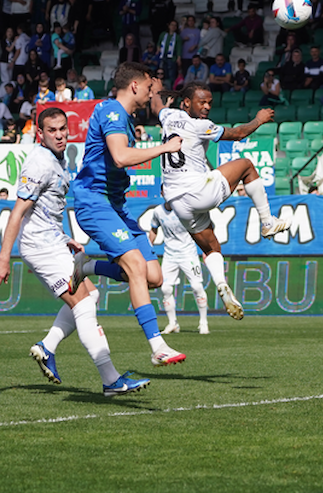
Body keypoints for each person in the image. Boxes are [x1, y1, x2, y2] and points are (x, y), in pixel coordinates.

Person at [0, 108, 148, 397]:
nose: (60, 135)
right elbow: (18, 213)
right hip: (40, 246)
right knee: (84, 305)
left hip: (52, 241)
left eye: (63, 129)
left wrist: (65, 238)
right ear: (41, 134)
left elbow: (45, 212)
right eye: (53, 130)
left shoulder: (57, 160)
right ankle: (110, 380)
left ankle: (47, 347)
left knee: (92, 295)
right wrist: (3, 258)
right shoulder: (39, 163)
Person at [67, 63, 187, 367]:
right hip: (94, 203)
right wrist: (164, 148)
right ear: (135, 85)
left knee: (153, 277)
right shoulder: (111, 112)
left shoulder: (125, 117)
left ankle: (88, 266)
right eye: (149, 88)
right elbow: (120, 157)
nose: (151, 94)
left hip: (116, 208)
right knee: (134, 265)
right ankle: (157, 346)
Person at [154, 83, 291, 320]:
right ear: (186, 102)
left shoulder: (168, 117)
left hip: (176, 202)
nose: (207, 107)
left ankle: (221, 285)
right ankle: (267, 221)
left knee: (211, 248)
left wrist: (156, 91)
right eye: (202, 102)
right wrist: (258, 119)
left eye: (209, 103)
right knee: (247, 165)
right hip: (197, 191)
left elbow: (157, 105)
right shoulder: (200, 125)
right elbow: (238, 134)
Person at [148, 198, 210, 335]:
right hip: (170, 255)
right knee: (165, 288)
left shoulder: (184, 209)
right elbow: (153, 229)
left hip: (189, 254)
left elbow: (202, 227)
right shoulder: (158, 211)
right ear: (162, 193)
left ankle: (203, 322)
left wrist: (207, 249)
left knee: (197, 286)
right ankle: (172, 323)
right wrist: (148, 248)